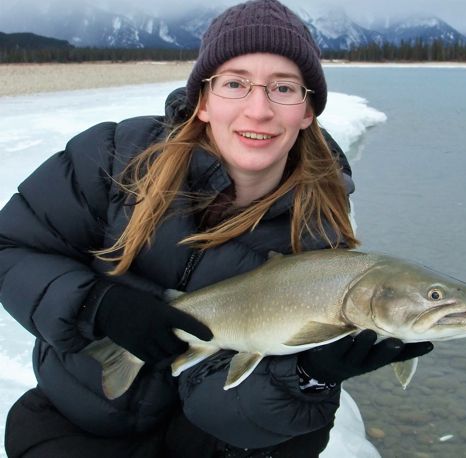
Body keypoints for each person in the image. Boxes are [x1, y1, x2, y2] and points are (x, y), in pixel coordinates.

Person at [0, 0, 434, 456]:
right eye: (235, 84)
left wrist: (305, 376)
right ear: (203, 101)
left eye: (283, 88)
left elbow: (230, 404)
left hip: (207, 439)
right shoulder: (114, 157)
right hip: (77, 421)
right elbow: (10, 246)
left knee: (296, 437)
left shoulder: (320, 237)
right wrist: (97, 304)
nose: (259, 110)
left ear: (307, 111)